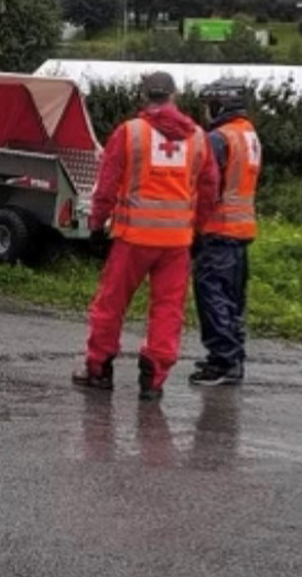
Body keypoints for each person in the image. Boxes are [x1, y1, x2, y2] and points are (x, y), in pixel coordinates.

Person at [72, 71, 218, 400]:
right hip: (177, 243)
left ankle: (99, 371)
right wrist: (199, 230)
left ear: (143, 96)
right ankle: (153, 381)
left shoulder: (129, 133)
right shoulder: (198, 138)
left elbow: (106, 185)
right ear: (174, 96)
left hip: (133, 238)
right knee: (167, 310)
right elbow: (209, 190)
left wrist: (97, 224)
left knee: (110, 305)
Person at [188, 79, 261, 386]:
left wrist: (193, 226)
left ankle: (223, 361)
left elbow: (206, 186)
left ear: (220, 105)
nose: (206, 111)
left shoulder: (219, 138)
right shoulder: (248, 134)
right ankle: (233, 356)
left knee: (212, 296)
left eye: (209, 105)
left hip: (218, 229)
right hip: (242, 229)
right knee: (232, 299)